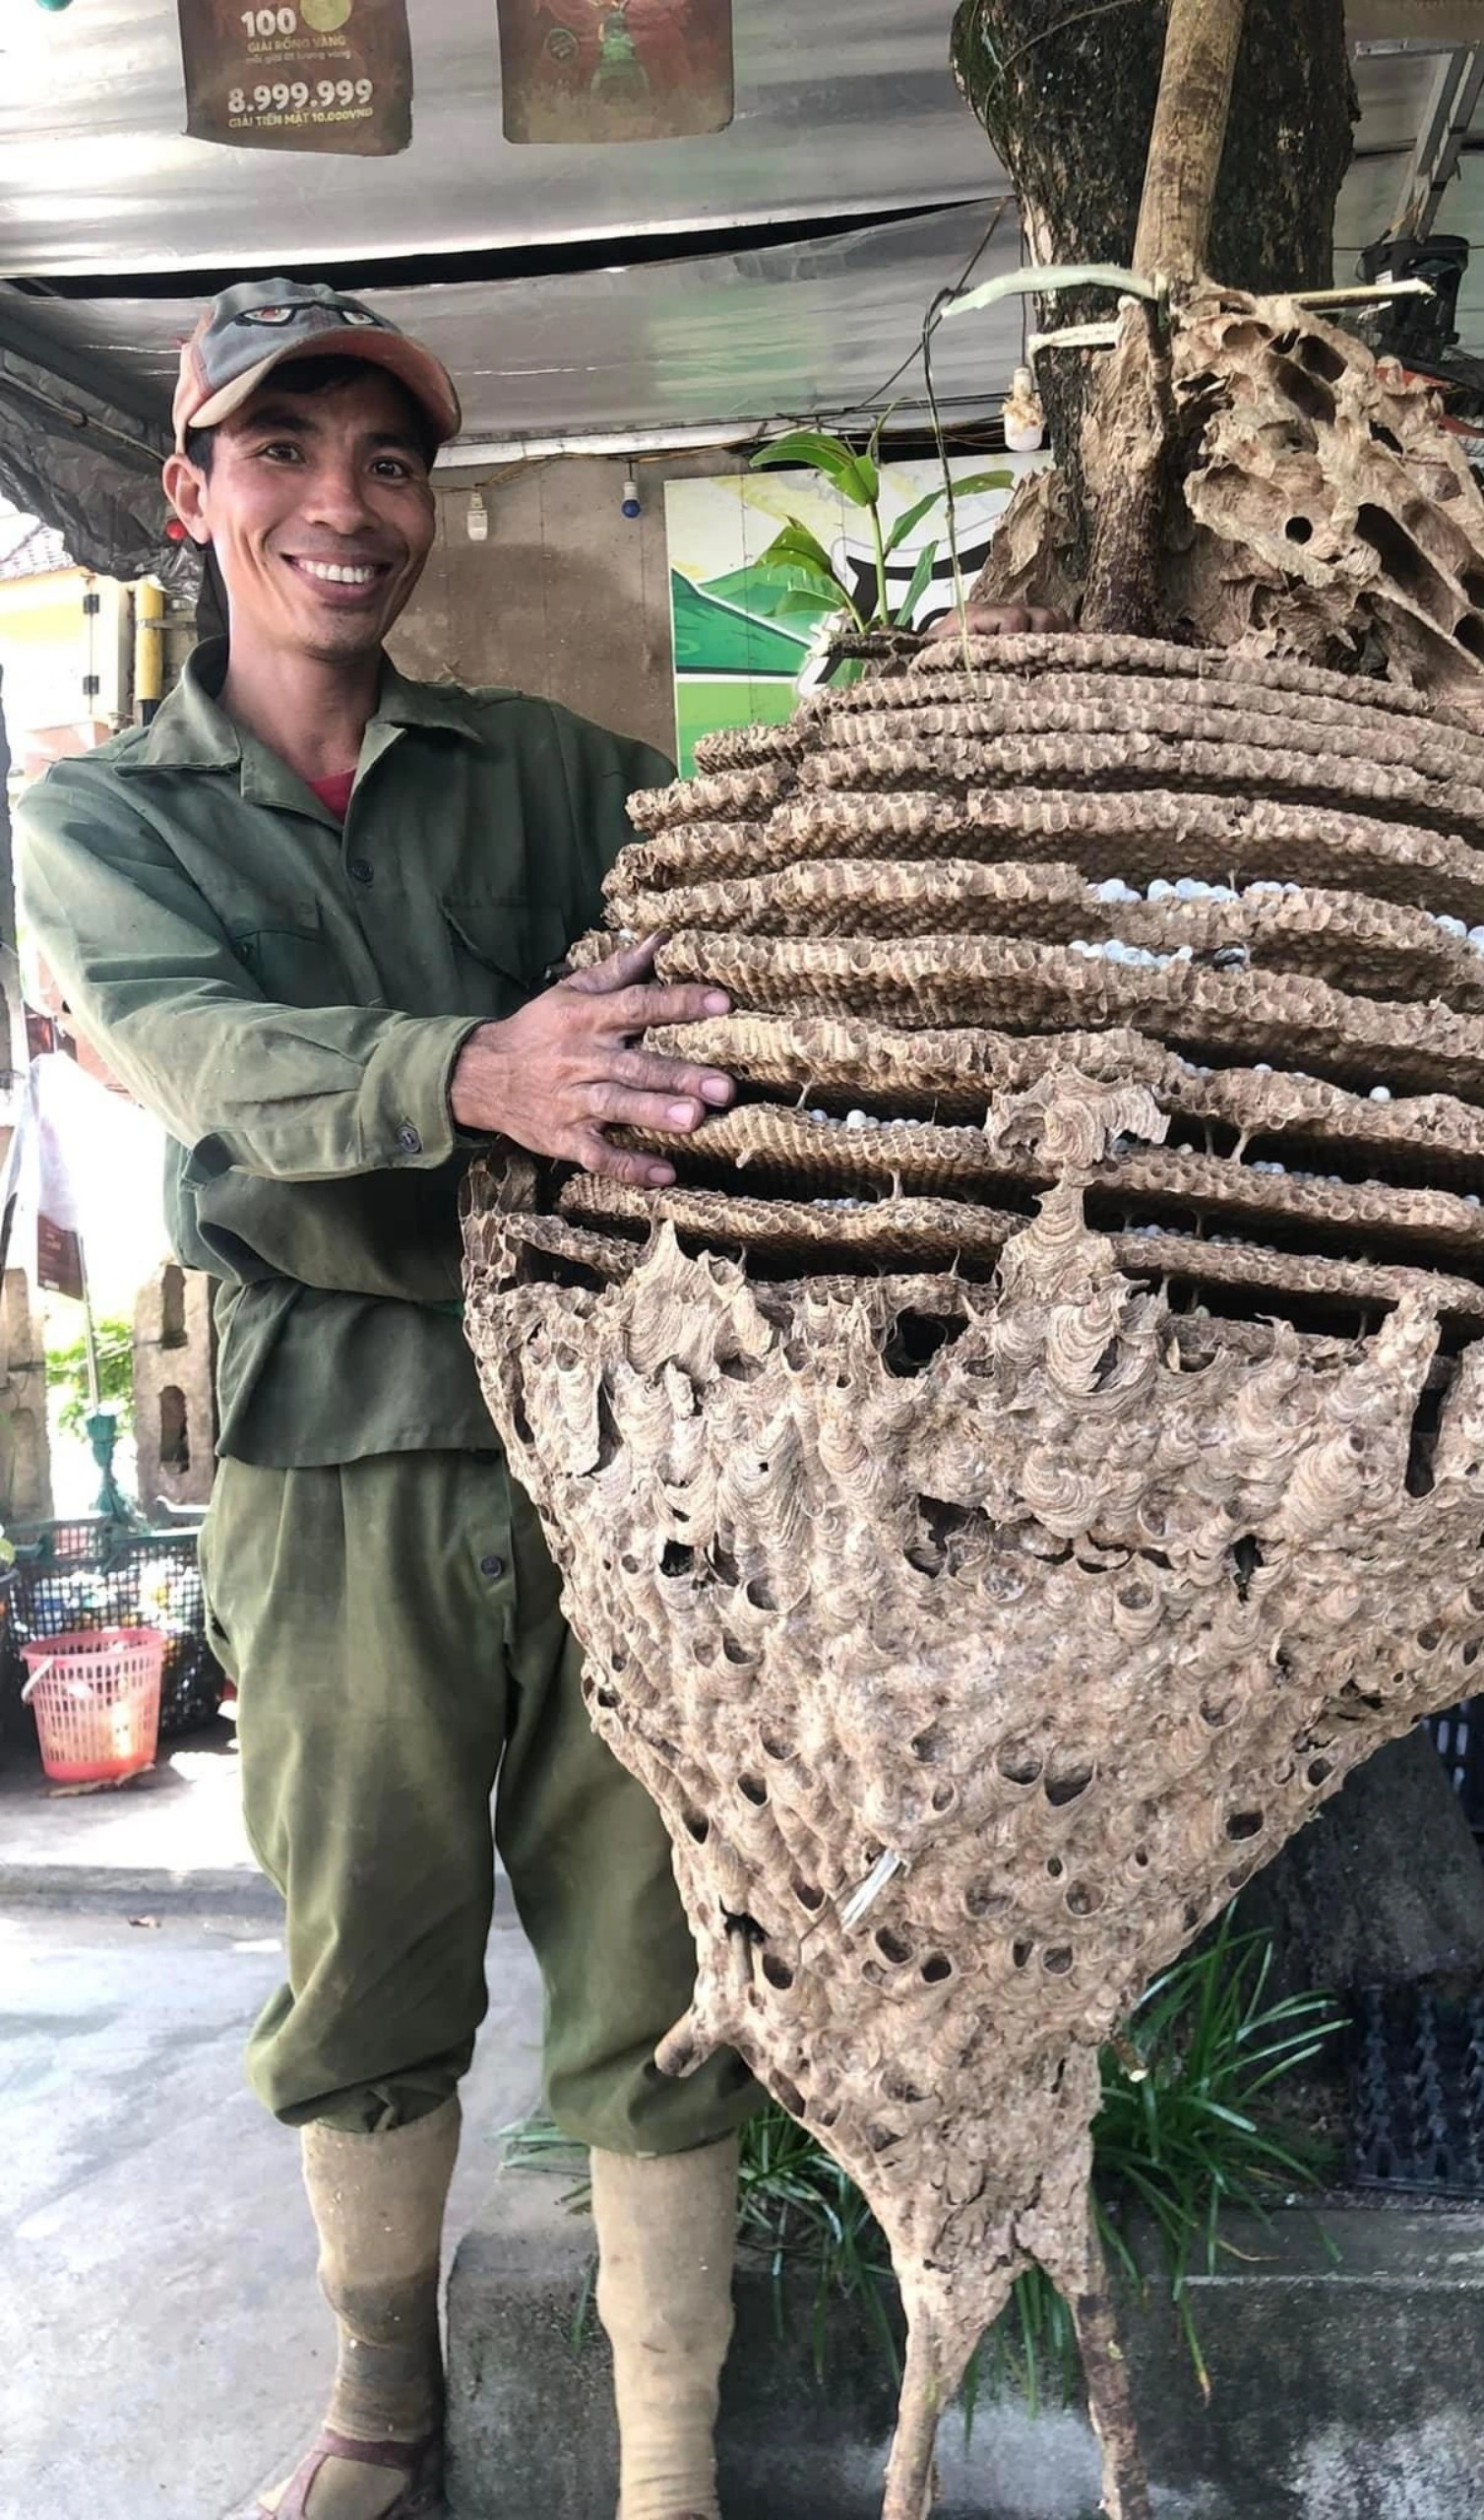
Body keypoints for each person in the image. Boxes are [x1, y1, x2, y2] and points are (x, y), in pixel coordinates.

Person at [19, 275, 1068, 2520]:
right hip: (333, 1457)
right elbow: (196, 1051)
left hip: (628, 1455)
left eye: (389, 461)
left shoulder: (561, 772)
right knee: (365, 1950)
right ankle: (383, 2412)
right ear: (188, 494)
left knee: (655, 1947)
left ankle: (664, 2468)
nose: (343, 503)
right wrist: (482, 1067)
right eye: (284, 451)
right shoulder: (105, 820)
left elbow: (740, 965)